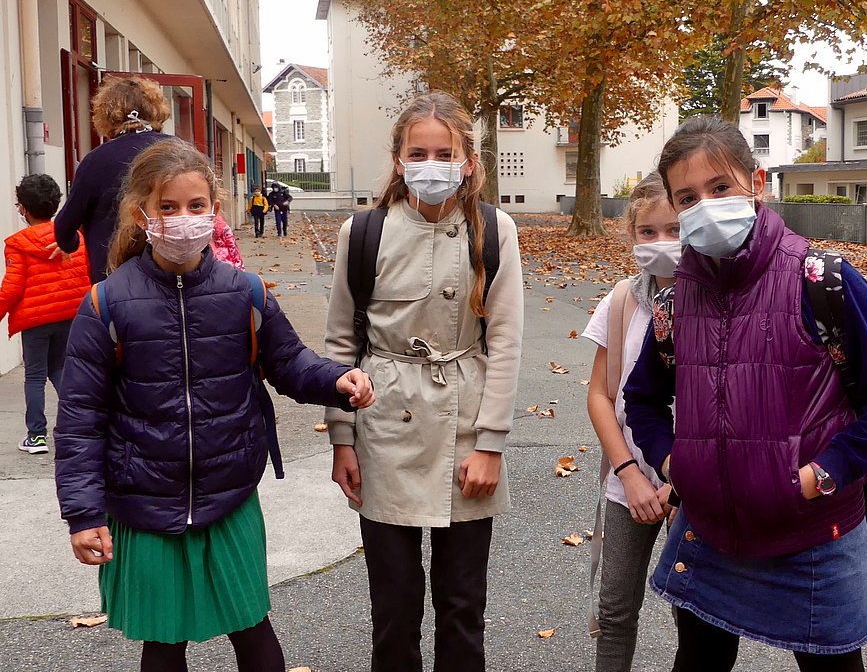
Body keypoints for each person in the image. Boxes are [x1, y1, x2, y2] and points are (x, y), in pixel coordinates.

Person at [54, 139, 376, 672]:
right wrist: (83, 513)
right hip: (143, 503)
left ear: (215, 211)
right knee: (163, 643)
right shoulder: (105, 302)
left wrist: (340, 378)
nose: (183, 219)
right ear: (142, 214)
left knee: (253, 632)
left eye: (196, 206)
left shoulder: (245, 292)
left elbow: (291, 363)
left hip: (229, 494)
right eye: (168, 207)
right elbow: (81, 420)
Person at [623, 117, 867, 672]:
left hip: (813, 533)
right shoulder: (674, 302)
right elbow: (641, 398)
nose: (705, 205)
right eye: (687, 197)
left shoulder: (821, 278)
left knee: (831, 666)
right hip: (708, 531)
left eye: (720, 188)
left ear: (757, 183)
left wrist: (817, 476)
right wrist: (673, 460)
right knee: (699, 661)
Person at [324, 90, 524, 672]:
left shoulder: (493, 228)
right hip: (383, 422)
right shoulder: (361, 233)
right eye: (419, 152)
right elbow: (341, 343)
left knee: (463, 606)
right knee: (393, 605)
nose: (431, 164)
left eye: (445, 152)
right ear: (398, 158)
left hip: (465, 421)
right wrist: (342, 438)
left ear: (468, 161)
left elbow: (506, 341)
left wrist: (490, 444)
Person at [581, 172, 679, 672]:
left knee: (696, 614)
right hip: (629, 481)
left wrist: (676, 485)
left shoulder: (716, 304)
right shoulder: (622, 301)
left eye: (674, 229)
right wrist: (629, 473)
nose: (661, 242)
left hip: (693, 487)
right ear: (631, 234)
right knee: (616, 610)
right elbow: (600, 395)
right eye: (648, 232)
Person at [0, 174, 90, 454]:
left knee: (35, 375)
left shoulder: (18, 243)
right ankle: (81, 426)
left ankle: (36, 436)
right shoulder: (74, 237)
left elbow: (12, 288)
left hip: (36, 320)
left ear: (24, 209)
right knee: (61, 368)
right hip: (71, 314)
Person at [53, 75, 172, 282]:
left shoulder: (96, 161)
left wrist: (71, 244)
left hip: (116, 280)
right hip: (177, 273)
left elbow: (65, 227)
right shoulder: (183, 152)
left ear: (106, 114)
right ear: (157, 109)